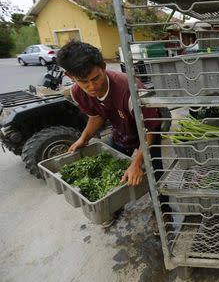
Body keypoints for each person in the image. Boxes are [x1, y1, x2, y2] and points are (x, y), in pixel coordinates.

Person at [57, 40, 170, 226]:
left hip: (147, 131)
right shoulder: (77, 92)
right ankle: (113, 205)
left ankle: (163, 212)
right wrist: (83, 139)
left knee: (153, 173)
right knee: (112, 166)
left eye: (96, 78)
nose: (91, 87)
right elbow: (96, 116)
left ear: (103, 66)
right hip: (121, 130)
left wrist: (137, 162)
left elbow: (150, 128)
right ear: (70, 76)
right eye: (83, 81)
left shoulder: (130, 89)